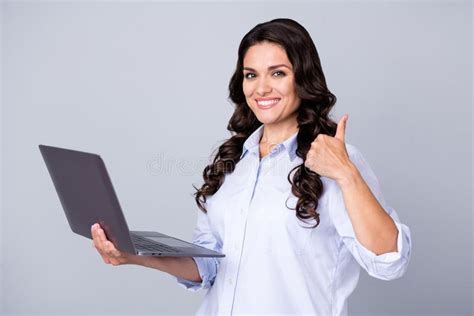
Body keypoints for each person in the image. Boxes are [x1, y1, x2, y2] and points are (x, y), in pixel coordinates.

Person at [91, 18, 412, 316]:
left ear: (303, 78)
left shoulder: (337, 161)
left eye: (278, 73)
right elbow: (209, 263)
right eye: (251, 74)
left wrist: (346, 174)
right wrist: (133, 254)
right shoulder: (232, 162)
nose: (261, 89)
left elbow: (389, 261)